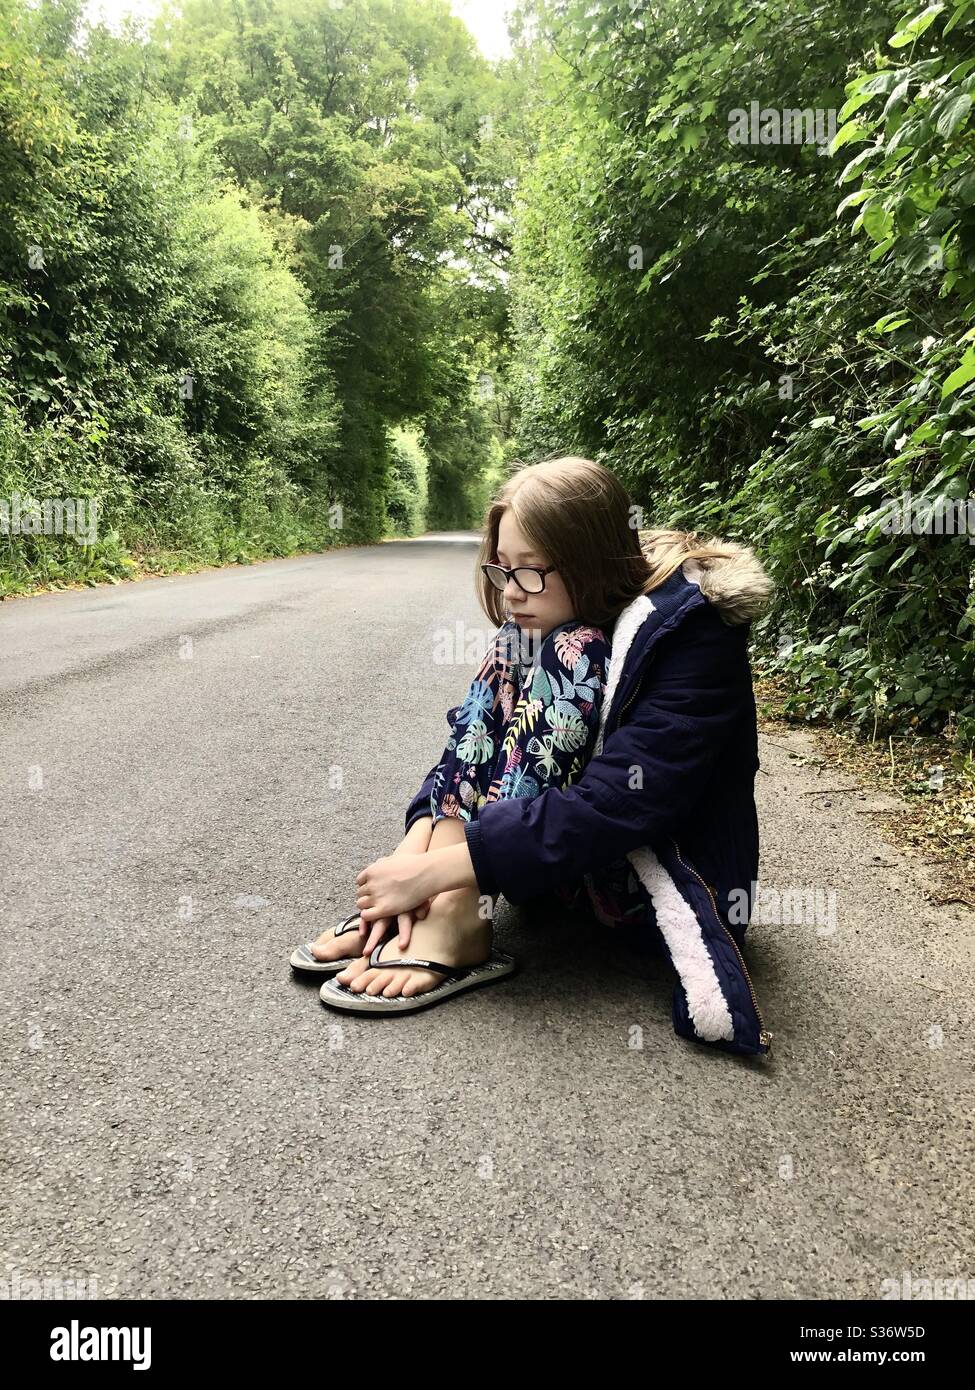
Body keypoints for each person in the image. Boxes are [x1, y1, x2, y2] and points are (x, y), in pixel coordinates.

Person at [291, 455, 774, 1057]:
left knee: (570, 647)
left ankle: (455, 911)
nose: (513, 592)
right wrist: (416, 849)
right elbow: (465, 742)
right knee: (518, 644)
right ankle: (443, 904)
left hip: (645, 882)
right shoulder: (530, 627)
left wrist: (436, 875)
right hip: (553, 870)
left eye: (532, 572)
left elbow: (620, 804)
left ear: (590, 561)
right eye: (502, 570)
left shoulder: (693, 638)